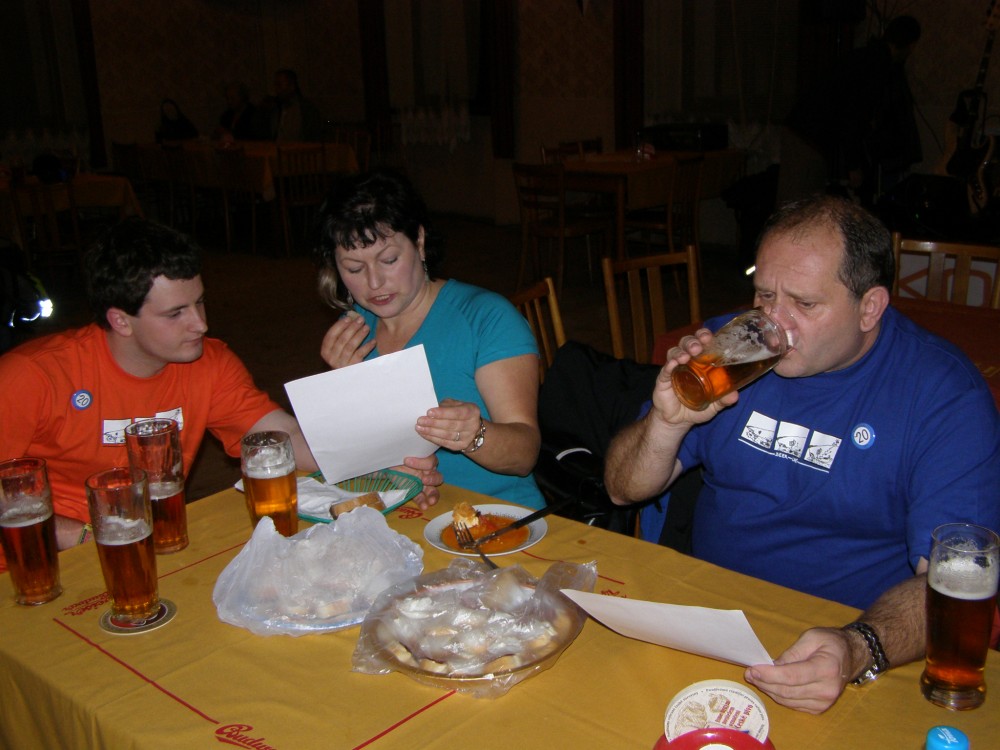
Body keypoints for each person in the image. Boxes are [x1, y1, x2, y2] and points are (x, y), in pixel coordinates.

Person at [604, 194, 1000, 713]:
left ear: (870, 308)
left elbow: (950, 587)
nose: (775, 322)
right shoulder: (731, 353)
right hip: (707, 626)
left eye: (804, 304)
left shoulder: (944, 396)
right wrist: (665, 424)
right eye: (765, 294)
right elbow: (622, 490)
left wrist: (858, 647)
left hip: (839, 644)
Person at [0, 218, 441, 564]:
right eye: (176, 313)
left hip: (153, 548)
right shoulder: (32, 376)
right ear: (120, 320)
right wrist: (84, 536)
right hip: (34, 562)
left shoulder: (207, 362)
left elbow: (283, 437)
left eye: (199, 302)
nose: (201, 323)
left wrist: (383, 461)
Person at [313, 169, 545, 509]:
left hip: (497, 517)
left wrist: (474, 435)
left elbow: (525, 454)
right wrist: (343, 389)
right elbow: (349, 458)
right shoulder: (353, 332)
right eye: (354, 269)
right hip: (402, 516)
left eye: (389, 260)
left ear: (419, 242)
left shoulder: (486, 318)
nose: (375, 283)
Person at [778, 15, 923, 207]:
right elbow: (854, 115)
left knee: (803, 209)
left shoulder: (867, 56)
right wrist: (853, 165)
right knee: (796, 210)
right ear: (911, 45)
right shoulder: (876, 65)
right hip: (807, 139)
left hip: (806, 136)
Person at [265, 69, 322, 143]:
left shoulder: (306, 109)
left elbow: (313, 136)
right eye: (275, 85)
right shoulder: (275, 108)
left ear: (292, 86)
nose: (276, 89)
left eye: (279, 85)